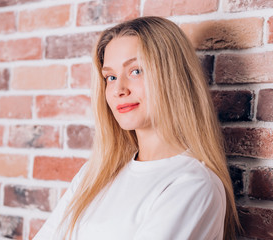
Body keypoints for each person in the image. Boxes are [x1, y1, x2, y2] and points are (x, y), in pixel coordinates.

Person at [34, 16, 240, 240]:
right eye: (110, 77)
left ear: (173, 76)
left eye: (136, 71)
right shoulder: (93, 175)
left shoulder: (193, 184)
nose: (118, 89)